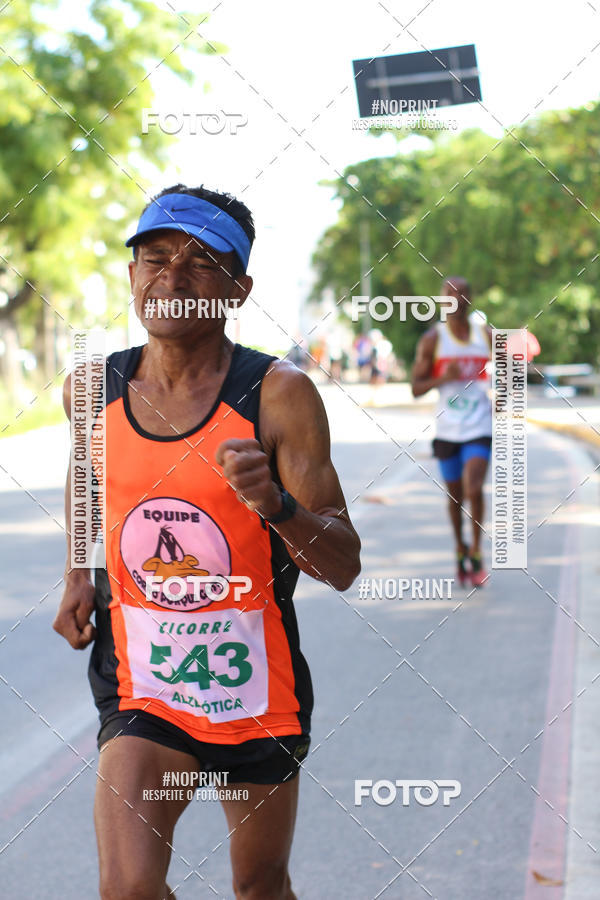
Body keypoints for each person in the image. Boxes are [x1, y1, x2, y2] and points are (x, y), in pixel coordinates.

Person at [53, 184, 361, 900]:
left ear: (237, 288)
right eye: (154, 260)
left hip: (254, 686)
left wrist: (276, 505)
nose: (170, 277)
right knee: (128, 888)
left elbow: (342, 563)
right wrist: (77, 572)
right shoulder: (92, 387)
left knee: (258, 886)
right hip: (142, 683)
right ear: (132, 277)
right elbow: (88, 474)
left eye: (198, 263)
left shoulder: (278, 395)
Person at [411, 277, 492, 588]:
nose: (457, 300)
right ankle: (459, 546)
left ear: (471, 299)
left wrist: (502, 396)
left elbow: (509, 374)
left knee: (474, 487)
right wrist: (441, 378)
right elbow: (416, 389)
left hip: (478, 426)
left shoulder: (485, 335)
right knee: (456, 496)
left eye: (463, 294)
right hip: (447, 430)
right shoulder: (433, 340)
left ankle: (476, 550)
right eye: (450, 295)